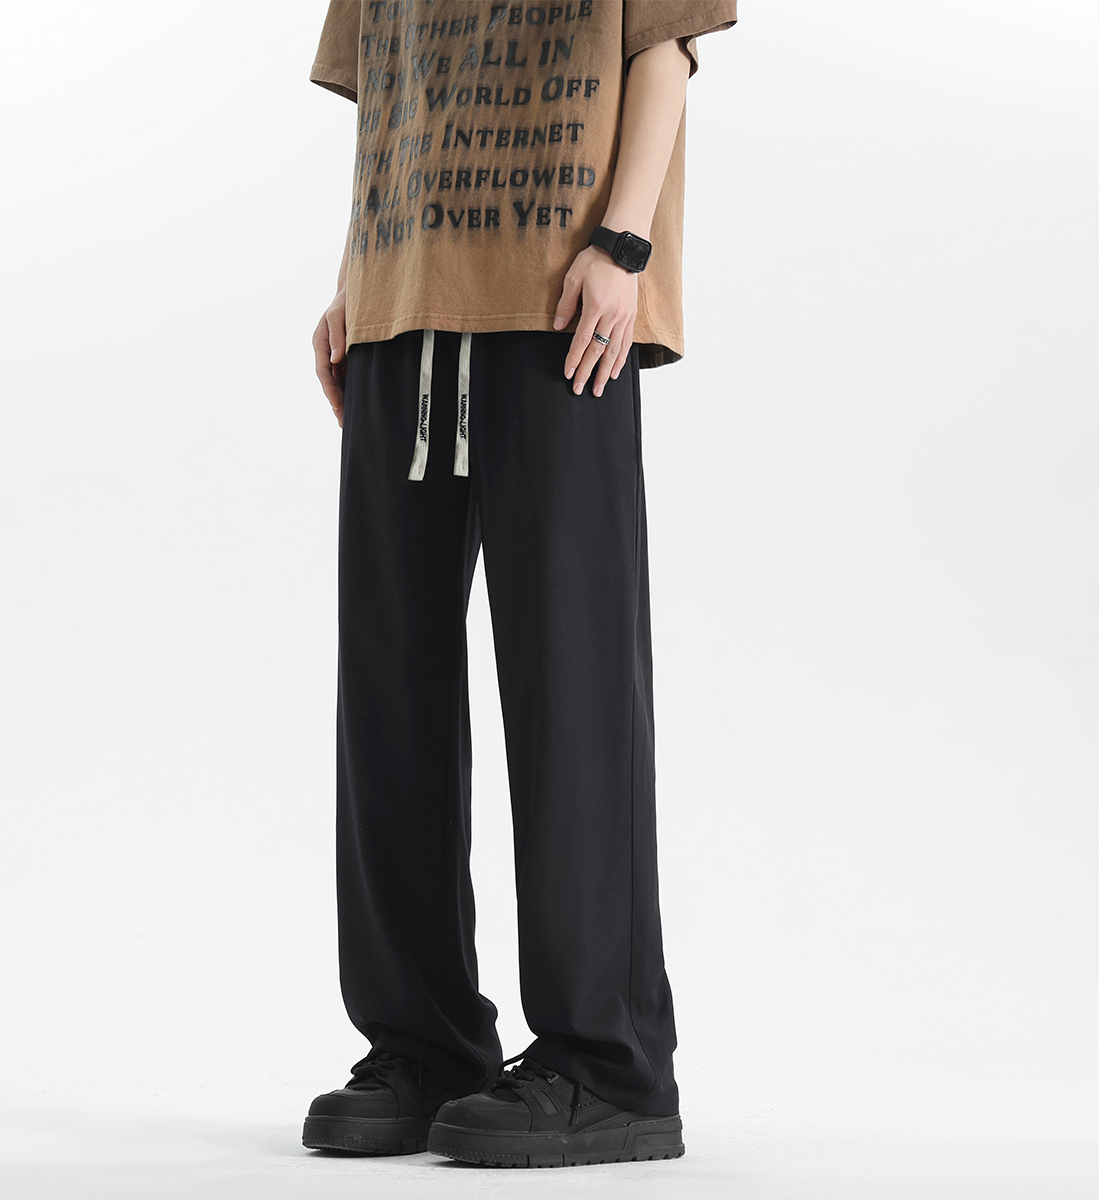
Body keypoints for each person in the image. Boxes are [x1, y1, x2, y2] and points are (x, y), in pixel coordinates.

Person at [303, 0, 736, 1170]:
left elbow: (664, 49)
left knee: (572, 678)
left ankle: (610, 1062)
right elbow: (389, 96)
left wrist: (625, 245)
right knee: (388, 685)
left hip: (562, 300)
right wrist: (358, 277)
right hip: (400, 306)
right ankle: (424, 1041)